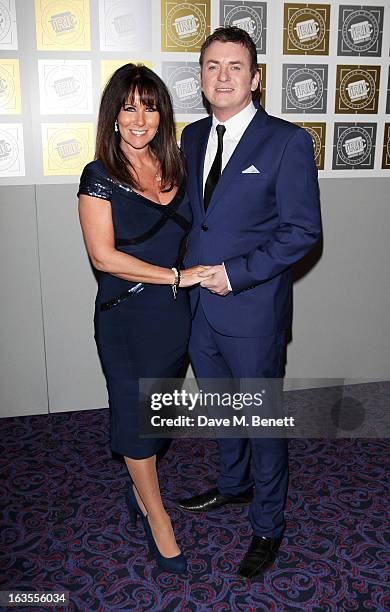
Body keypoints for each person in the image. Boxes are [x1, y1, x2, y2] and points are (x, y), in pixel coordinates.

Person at [178, 27, 322, 578]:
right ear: (201, 77)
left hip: (252, 308)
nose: (222, 76)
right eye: (212, 66)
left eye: (234, 66)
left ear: (255, 77)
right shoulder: (190, 137)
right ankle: (234, 487)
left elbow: (302, 231)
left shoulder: (287, 141)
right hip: (198, 309)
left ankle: (267, 525)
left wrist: (234, 276)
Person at [78, 64, 210, 574]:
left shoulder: (174, 168)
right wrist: (177, 276)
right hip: (127, 317)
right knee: (136, 422)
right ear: (113, 116)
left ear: (162, 113)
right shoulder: (99, 176)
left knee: (158, 417)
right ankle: (158, 520)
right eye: (128, 107)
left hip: (173, 320)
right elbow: (103, 258)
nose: (139, 119)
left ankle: (139, 489)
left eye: (149, 106)